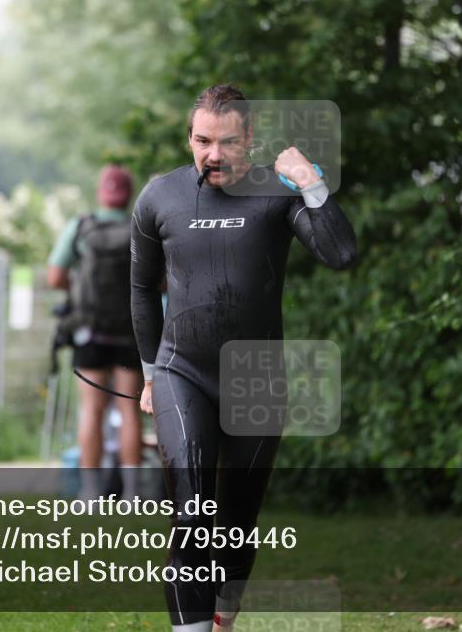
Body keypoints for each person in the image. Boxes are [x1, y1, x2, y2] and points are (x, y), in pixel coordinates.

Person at [129, 84, 357, 631]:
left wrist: (311, 183)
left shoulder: (275, 194)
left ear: (250, 139)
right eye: (203, 141)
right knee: (192, 514)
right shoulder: (159, 198)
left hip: (256, 378)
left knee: (235, 523)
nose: (214, 154)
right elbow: (140, 289)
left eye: (228, 142)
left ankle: (223, 618)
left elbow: (341, 253)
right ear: (189, 138)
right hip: (182, 371)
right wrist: (150, 374)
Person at [47, 165, 144, 502]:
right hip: (130, 333)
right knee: (129, 410)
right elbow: (158, 281)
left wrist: (79, 291)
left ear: (100, 192)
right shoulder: (138, 228)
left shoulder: (81, 227)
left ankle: (90, 493)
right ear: (129, 194)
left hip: (90, 333)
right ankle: (132, 494)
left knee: (91, 410)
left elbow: (54, 276)